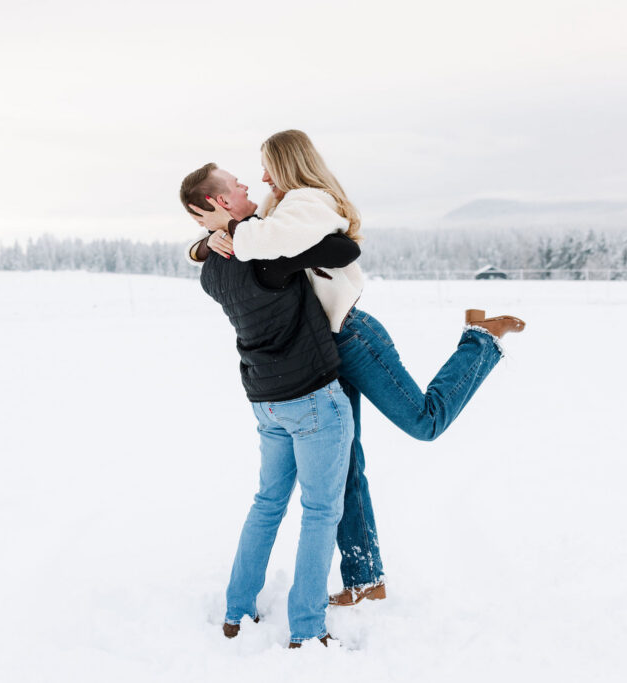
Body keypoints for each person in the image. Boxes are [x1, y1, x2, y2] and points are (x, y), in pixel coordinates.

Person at [185, 131, 527, 608]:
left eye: (267, 167)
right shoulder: (282, 206)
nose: (262, 177)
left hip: (352, 337)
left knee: (424, 422)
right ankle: (365, 577)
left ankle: (481, 340)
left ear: (287, 165)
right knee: (345, 468)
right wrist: (204, 244)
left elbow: (292, 244)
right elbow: (248, 240)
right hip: (318, 352)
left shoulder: (309, 201)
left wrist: (225, 235)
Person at [179, 162, 361, 648]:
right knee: (321, 512)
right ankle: (307, 628)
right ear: (219, 202)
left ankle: (237, 609)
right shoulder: (266, 253)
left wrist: (207, 241)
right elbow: (346, 248)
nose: (245, 185)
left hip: (267, 402)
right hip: (314, 397)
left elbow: (206, 247)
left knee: (266, 505)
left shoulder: (213, 267)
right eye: (235, 184)